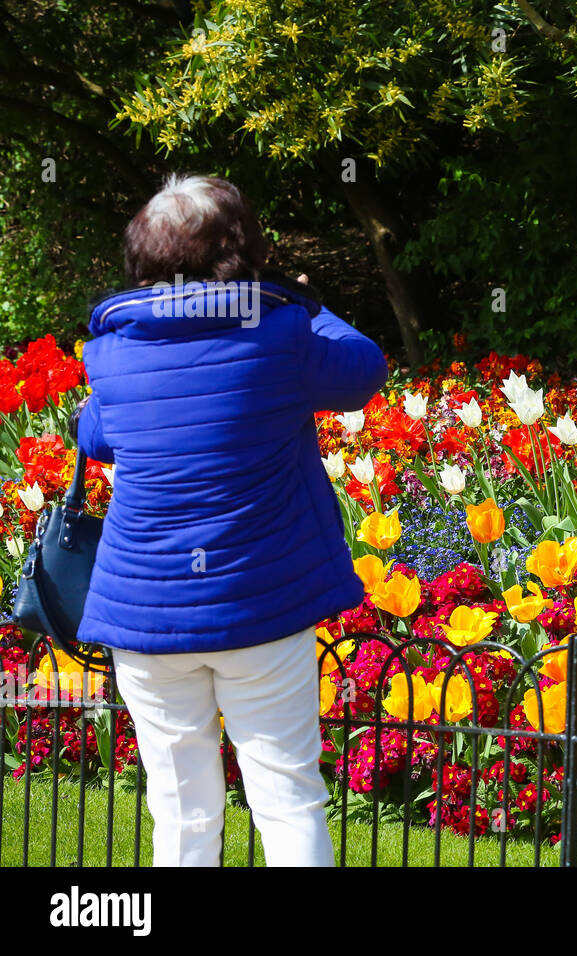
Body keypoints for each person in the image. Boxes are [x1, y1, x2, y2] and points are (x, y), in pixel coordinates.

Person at [71, 173, 389, 866]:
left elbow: (93, 438)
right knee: (286, 797)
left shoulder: (110, 351)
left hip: (147, 617)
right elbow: (364, 369)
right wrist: (311, 305)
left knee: (182, 814)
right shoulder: (280, 332)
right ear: (241, 250)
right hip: (260, 608)